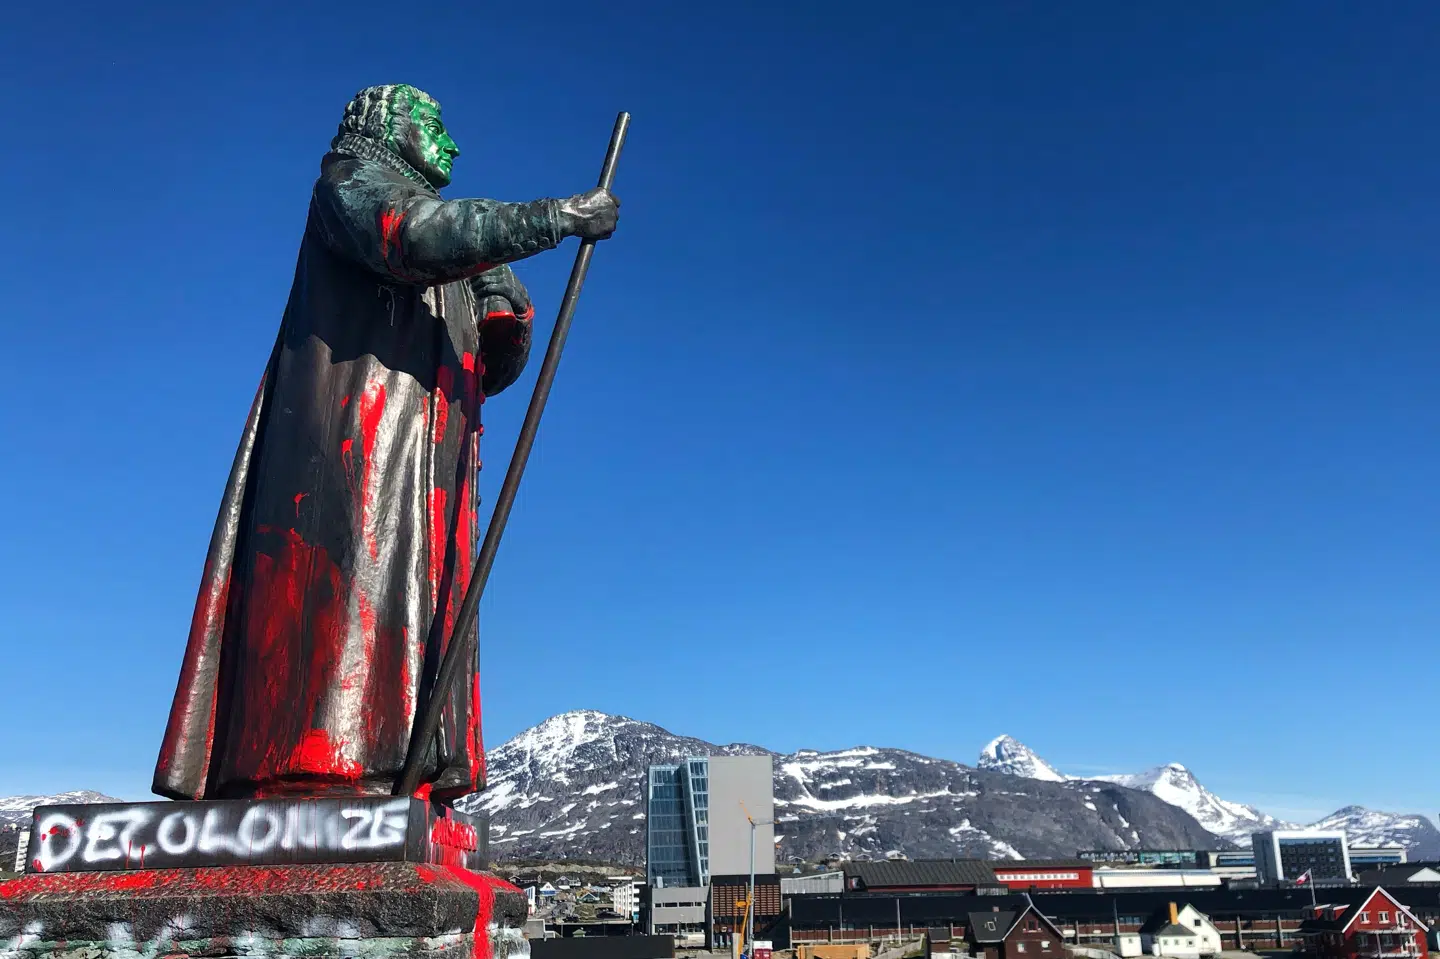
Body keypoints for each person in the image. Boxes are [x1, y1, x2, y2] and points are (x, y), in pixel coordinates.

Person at [153, 84, 619, 803]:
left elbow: (484, 364)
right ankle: (317, 768)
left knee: (412, 603)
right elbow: (412, 237)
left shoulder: (439, 231)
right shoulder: (351, 183)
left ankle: (401, 768)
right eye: (433, 125)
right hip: (351, 445)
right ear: (387, 126)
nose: (451, 145)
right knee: (346, 595)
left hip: (421, 459)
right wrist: (551, 219)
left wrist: (502, 305)